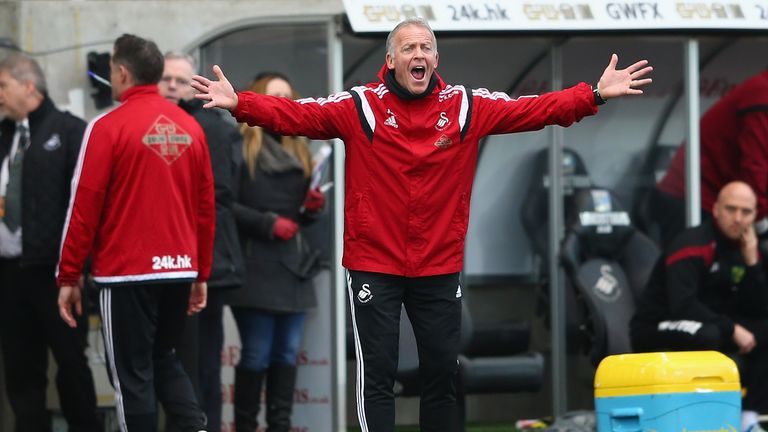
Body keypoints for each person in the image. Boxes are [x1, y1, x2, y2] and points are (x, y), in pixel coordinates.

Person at [191, 17, 652, 432]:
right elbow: (299, 115)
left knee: (442, 374)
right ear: (390, 59)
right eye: (409, 48)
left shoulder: (465, 106)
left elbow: (533, 109)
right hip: (375, 264)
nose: (419, 55)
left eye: (426, 48)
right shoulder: (362, 106)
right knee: (379, 374)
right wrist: (241, 104)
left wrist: (591, 95)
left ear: (436, 59)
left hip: (438, 265)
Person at [56, 34, 216, 432]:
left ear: (122, 72)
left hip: (127, 274)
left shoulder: (107, 126)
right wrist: (201, 273)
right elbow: (206, 209)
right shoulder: (190, 128)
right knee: (164, 358)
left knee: (130, 376)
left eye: (111, 68)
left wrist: (68, 275)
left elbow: (83, 207)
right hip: (179, 269)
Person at [0, 53, 101, 432]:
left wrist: (79, 269)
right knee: (21, 367)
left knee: (72, 365)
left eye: (3, 86)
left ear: (29, 86)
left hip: (57, 273)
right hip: (10, 272)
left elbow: (87, 205)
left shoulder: (70, 130)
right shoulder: (4, 135)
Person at [225, 72, 325, 432]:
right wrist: (268, 223)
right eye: (274, 96)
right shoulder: (240, 148)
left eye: (287, 96)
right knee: (256, 354)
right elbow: (225, 205)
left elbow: (303, 219)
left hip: (294, 268)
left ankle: (280, 425)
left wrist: (313, 208)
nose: (281, 103)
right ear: (257, 100)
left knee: (286, 354)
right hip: (254, 267)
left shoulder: (298, 147)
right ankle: (246, 426)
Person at [631, 181, 768, 430]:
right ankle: (700, 420)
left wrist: (752, 264)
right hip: (654, 326)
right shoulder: (693, 244)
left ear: (755, 215)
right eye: (731, 209)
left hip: (709, 323)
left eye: (746, 212)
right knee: (710, 336)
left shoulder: (748, 248)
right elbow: (682, 305)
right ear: (715, 209)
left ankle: (748, 417)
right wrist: (732, 329)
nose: (738, 218)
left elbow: (757, 310)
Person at [159, 51, 245, 432]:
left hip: (208, 261)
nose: (173, 85)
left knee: (203, 361)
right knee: (168, 358)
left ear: (195, 83)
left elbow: (223, 195)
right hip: (161, 262)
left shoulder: (216, 127)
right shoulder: (154, 124)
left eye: (181, 79)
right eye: (166, 78)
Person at [651, 70, 768, 246]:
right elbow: (755, 166)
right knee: (692, 266)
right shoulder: (761, 93)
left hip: (718, 200)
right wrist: (759, 219)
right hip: (692, 199)